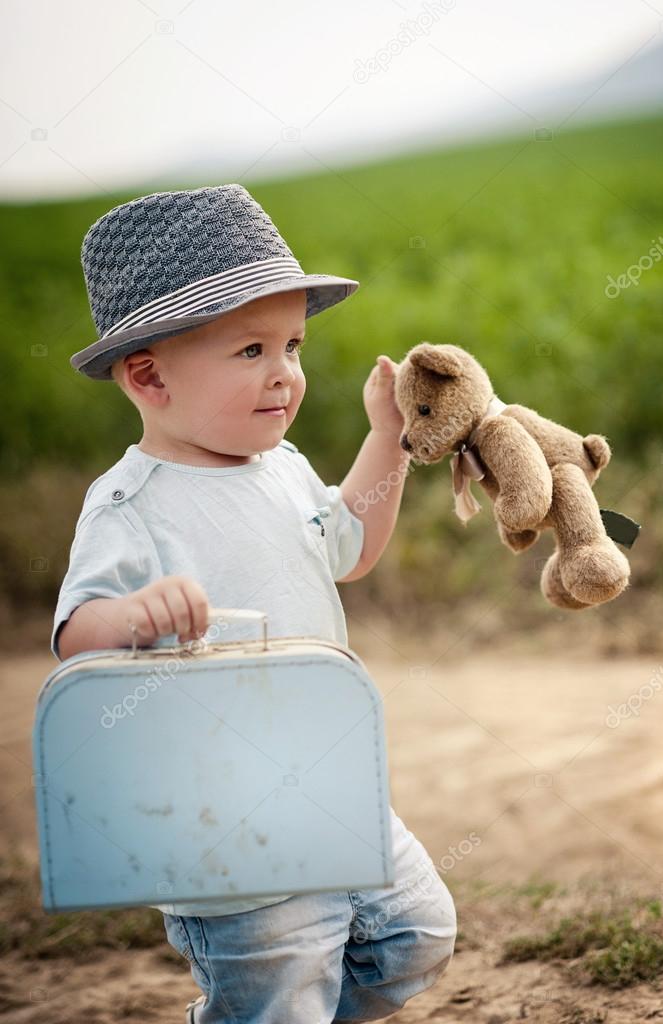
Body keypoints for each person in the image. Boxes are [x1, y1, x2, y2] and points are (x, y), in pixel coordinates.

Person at [51, 184, 457, 1023]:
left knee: (414, 933)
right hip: (220, 814)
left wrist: (387, 439)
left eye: (294, 346)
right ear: (149, 375)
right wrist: (135, 616)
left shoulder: (279, 467)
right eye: (251, 352)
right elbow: (74, 636)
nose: (285, 374)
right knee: (280, 979)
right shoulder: (133, 505)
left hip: (330, 775)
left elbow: (349, 548)